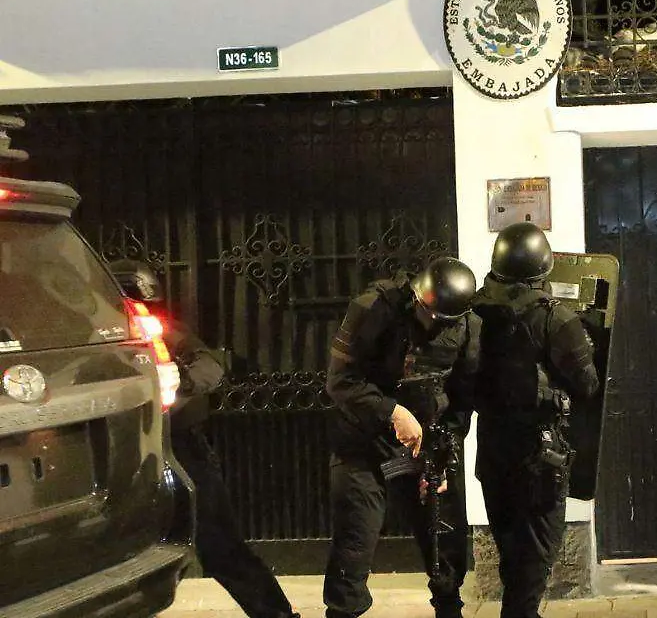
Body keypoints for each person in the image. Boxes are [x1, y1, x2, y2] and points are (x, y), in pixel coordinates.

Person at [109, 259, 300, 618]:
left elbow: (209, 365)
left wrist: (176, 378)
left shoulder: (159, 331)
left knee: (219, 544)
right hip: (129, 452)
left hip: (179, 448)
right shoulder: (106, 339)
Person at [322, 257, 480, 618]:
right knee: (354, 543)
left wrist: (441, 461)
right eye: (427, 315)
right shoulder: (374, 308)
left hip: (427, 444)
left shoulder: (469, 327)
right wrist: (392, 411)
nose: (432, 325)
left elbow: (461, 402)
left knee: (444, 544)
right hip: (364, 440)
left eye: (442, 321)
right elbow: (340, 381)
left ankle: (448, 609)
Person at [471, 222, 599, 618]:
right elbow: (588, 384)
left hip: (493, 453)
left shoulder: (475, 311)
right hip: (539, 458)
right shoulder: (555, 318)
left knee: (512, 551)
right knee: (537, 553)